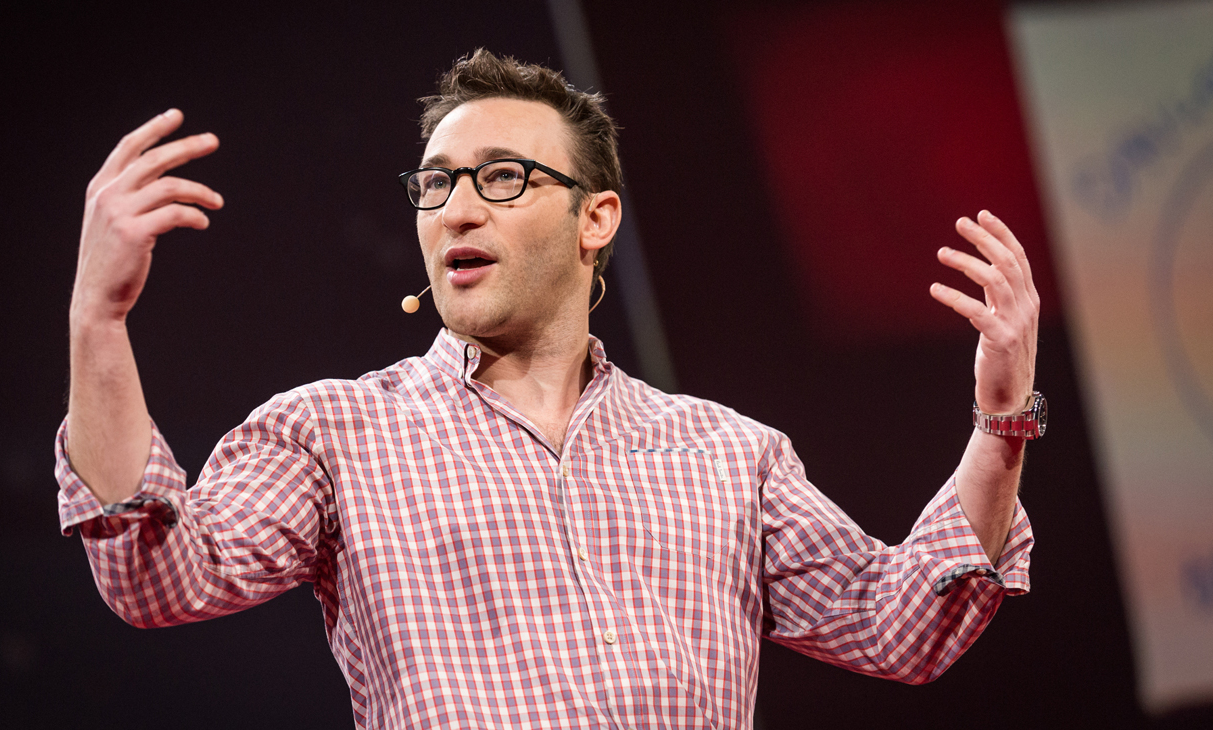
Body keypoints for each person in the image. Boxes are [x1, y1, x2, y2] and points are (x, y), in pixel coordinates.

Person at [57, 49, 1039, 729]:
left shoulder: (728, 454)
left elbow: (902, 624)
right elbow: (158, 576)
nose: (455, 210)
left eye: (501, 179)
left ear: (594, 217)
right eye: (434, 185)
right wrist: (97, 325)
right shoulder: (334, 432)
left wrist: (998, 423)